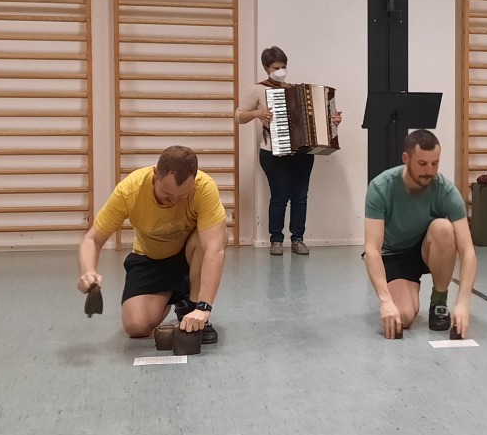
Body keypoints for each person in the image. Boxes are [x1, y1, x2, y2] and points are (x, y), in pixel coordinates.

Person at [78, 145, 227, 343]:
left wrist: (203, 308)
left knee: (209, 236)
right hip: (151, 257)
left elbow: (214, 249)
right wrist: (88, 272)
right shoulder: (130, 190)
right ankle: (177, 294)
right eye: (168, 195)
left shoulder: (204, 187)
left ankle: (192, 306)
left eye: (182, 196)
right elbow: (92, 239)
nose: (175, 202)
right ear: (156, 174)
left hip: (189, 254)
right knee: (136, 326)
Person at [363, 129, 476, 340]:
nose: (429, 171)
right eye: (422, 164)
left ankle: (439, 301)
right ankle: (403, 295)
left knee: (444, 228)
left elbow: (468, 251)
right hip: (396, 254)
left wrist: (463, 302)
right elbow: (372, 250)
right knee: (403, 318)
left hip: (429, 247)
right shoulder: (380, 187)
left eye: (435, 163)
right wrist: (386, 301)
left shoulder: (446, 191)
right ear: (406, 158)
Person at [236, 45, 342, 255]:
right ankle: (276, 240)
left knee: (300, 197)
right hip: (272, 152)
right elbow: (238, 116)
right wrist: (257, 113)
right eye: (276, 67)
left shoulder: (295, 89)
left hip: (302, 152)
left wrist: (333, 120)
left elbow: (317, 119)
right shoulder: (258, 89)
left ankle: (298, 239)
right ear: (266, 68)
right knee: (279, 196)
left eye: (283, 66)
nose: (281, 71)